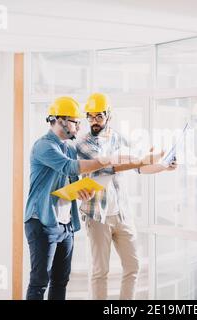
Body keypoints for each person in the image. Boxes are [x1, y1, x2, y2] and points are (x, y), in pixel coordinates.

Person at [76, 93, 177, 300]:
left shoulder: (117, 137)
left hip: (122, 213)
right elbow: (107, 165)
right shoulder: (83, 144)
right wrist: (141, 160)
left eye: (99, 116)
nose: (94, 121)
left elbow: (139, 166)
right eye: (90, 117)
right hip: (97, 217)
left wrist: (163, 166)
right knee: (100, 272)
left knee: (133, 267)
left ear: (108, 116)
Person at [24, 96, 125, 300]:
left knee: (61, 282)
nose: (80, 127)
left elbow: (71, 180)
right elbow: (69, 166)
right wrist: (105, 160)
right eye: (75, 121)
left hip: (65, 225)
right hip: (43, 222)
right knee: (39, 282)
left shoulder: (69, 147)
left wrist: (82, 191)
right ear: (60, 120)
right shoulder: (43, 146)